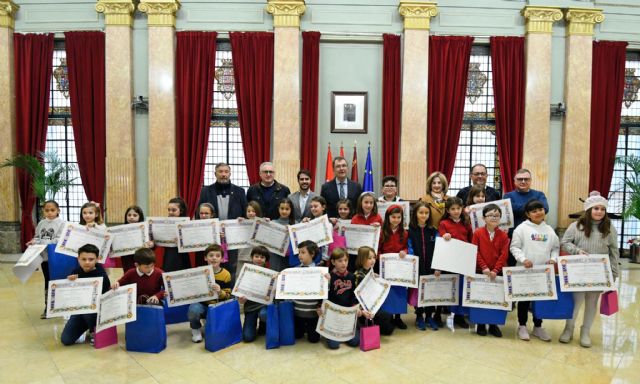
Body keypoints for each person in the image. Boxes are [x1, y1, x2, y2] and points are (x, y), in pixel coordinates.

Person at [560, 192, 619, 348]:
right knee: (576, 301)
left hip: (599, 273)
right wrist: (577, 251)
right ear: (588, 210)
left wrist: (614, 273)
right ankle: (569, 328)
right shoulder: (576, 226)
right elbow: (565, 242)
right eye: (595, 208)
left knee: (592, 303)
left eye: (602, 209)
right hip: (578, 271)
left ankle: (585, 331)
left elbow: (614, 251)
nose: (599, 211)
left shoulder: (609, 228)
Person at [510, 199, 559, 342]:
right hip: (525, 270)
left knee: (540, 299)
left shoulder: (549, 230)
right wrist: (523, 259)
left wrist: (553, 259)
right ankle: (522, 326)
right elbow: (514, 247)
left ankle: (538, 327)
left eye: (540, 209)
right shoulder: (522, 228)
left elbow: (555, 248)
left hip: (543, 272)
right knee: (524, 300)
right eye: (534, 211)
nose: (538, 213)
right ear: (528, 214)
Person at [198, 162, 247, 279]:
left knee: (232, 267)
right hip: (212, 238)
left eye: (226, 172)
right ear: (215, 174)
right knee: (211, 267)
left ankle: (230, 293)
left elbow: (246, 212)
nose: (223, 174)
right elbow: (199, 214)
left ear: (230, 173)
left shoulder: (240, 191)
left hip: (233, 238)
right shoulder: (205, 191)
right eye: (220, 172)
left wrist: (243, 219)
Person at [60, 244, 111, 346]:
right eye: (83, 259)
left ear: (97, 259)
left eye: (91, 259)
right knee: (66, 340)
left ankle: (94, 330)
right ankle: (87, 325)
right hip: (80, 311)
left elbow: (105, 300)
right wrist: (69, 283)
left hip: (96, 312)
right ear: (78, 259)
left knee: (89, 310)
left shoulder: (102, 275)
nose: (87, 262)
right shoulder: (76, 272)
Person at [472, 204, 510, 337]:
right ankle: (481, 324)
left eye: (497, 215)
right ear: (483, 218)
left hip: (497, 272)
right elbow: (475, 251)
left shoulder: (504, 235)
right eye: (490, 215)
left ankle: (494, 324)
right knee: (481, 297)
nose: (494, 218)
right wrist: (484, 267)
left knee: (496, 298)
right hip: (480, 270)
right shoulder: (477, 233)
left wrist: (496, 269)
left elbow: (504, 254)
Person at [26, 200, 65, 319]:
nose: (49, 213)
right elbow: (37, 237)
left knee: (58, 281)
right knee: (47, 281)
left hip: (58, 258)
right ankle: (48, 307)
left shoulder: (62, 223)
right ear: (43, 211)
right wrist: (33, 242)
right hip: (45, 258)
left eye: (52, 210)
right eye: (47, 210)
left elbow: (59, 239)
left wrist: (42, 242)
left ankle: (61, 306)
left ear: (58, 210)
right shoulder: (41, 223)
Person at [186, 244, 232, 343]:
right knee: (193, 310)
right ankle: (195, 329)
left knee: (215, 333)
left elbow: (228, 296)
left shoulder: (226, 274)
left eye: (217, 256)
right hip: (202, 305)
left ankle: (209, 321)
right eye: (211, 255)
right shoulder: (199, 271)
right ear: (205, 258)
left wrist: (220, 291)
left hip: (217, 306)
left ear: (222, 258)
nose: (214, 258)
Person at [407, 201, 439, 331]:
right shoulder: (410, 231)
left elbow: (439, 250)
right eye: (421, 212)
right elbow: (409, 248)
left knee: (430, 293)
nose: (423, 215)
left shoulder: (433, 231)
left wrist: (437, 267)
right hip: (418, 268)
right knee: (418, 293)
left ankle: (429, 317)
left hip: (431, 268)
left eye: (426, 213)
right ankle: (419, 316)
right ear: (415, 214)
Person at [322, 247, 360, 349]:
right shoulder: (329, 276)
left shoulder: (352, 277)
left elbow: (353, 295)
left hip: (347, 315)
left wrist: (355, 307)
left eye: (345, 260)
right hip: (333, 315)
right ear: (333, 262)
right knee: (334, 345)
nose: (343, 263)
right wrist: (327, 282)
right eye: (340, 261)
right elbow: (325, 296)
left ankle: (345, 333)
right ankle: (333, 334)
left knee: (356, 341)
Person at [378, 204, 409, 329]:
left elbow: (407, 247)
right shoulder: (382, 231)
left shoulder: (404, 233)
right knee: (388, 292)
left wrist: (405, 252)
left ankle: (398, 317)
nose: (396, 220)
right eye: (393, 217)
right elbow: (378, 249)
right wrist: (381, 258)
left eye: (398, 217)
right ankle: (389, 316)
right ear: (388, 217)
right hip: (386, 268)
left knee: (399, 292)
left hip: (400, 268)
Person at [354, 246, 394, 335]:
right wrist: (364, 311)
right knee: (387, 324)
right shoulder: (359, 276)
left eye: (374, 258)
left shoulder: (369, 271)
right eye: (369, 258)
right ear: (362, 259)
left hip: (371, 305)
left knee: (389, 319)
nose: (373, 260)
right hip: (364, 310)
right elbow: (358, 298)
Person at [293, 240, 323, 343]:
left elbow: (324, 292)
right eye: (299, 252)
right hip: (298, 311)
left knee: (314, 340)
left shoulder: (320, 272)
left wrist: (328, 281)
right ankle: (302, 328)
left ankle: (309, 328)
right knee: (297, 336)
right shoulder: (294, 270)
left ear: (312, 254)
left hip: (312, 312)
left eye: (303, 252)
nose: (300, 255)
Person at [239, 246, 270, 342]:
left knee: (264, 315)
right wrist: (241, 299)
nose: (259, 259)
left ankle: (263, 324)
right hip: (250, 307)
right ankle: (253, 324)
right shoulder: (245, 271)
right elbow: (239, 290)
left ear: (266, 260)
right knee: (247, 338)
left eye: (262, 257)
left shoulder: (270, 274)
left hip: (263, 305)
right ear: (252, 257)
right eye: (256, 256)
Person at [162, 197, 191, 272]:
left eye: (174, 210)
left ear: (181, 211)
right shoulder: (164, 223)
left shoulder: (187, 223)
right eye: (169, 210)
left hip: (182, 257)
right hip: (169, 255)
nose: (170, 212)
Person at [120, 205, 152, 273]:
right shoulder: (120, 230)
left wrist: (151, 244)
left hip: (141, 258)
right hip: (127, 258)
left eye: (135, 215)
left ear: (140, 217)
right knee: (128, 274)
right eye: (129, 215)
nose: (131, 217)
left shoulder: (146, 229)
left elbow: (152, 245)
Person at [236, 201, 262, 278]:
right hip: (242, 256)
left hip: (256, 257)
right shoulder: (241, 222)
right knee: (240, 277)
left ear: (257, 212)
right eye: (248, 211)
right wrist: (237, 222)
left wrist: (266, 222)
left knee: (254, 277)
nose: (251, 213)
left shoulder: (262, 223)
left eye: (253, 211)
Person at [269, 198, 296, 272]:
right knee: (275, 276)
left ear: (291, 210)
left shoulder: (296, 224)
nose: (284, 211)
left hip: (290, 257)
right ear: (278, 209)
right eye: (282, 208)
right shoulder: (273, 223)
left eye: (287, 209)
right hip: (275, 256)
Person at [194, 203, 217, 268]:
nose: (203, 215)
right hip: (200, 255)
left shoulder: (217, 226)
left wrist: (221, 237)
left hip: (213, 256)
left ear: (212, 214)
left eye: (206, 213)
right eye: (201, 213)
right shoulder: (193, 226)